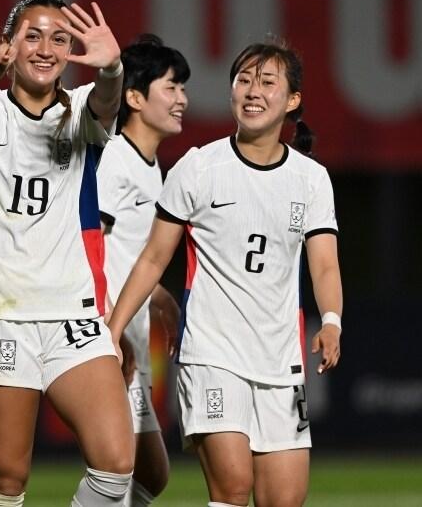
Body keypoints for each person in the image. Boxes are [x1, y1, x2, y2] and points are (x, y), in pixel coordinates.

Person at [107, 40, 343, 507]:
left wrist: (331, 319)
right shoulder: (198, 167)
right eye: (244, 80)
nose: (252, 91)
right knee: (232, 488)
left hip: (280, 363)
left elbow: (324, 262)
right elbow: (153, 258)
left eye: (267, 82)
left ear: (292, 100)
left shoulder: (311, 179)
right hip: (212, 356)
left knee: (284, 499)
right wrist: (113, 331)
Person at [0, 0, 135, 507]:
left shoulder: (80, 111)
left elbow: (107, 101)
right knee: (7, 484)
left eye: (60, 38)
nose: (46, 47)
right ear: (7, 45)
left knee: (116, 465)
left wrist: (114, 68)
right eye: (32, 35)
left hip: (71, 314)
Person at [96, 34, 189, 506]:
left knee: (150, 475)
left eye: (182, 89)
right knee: (117, 474)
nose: (182, 100)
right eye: (170, 88)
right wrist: (104, 330)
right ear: (133, 97)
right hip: (105, 333)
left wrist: (158, 296)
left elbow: (128, 252)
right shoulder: (114, 159)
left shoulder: (151, 168)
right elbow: (87, 246)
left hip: (127, 332)